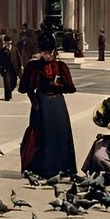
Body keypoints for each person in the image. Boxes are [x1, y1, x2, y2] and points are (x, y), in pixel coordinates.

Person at [19, 32, 77, 178]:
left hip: (57, 104)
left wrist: (59, 85)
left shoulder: (61, 66)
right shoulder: (34, 66)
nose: (46, 56)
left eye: (48, 53)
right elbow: (25, 88)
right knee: (42, 136)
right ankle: (42, 169)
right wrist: (34, 101)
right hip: (41, 105)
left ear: (53, 51)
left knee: (60, 135)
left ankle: (63, 168)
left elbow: (70, 88)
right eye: (43, 53)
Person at [0, 35, 22, 101]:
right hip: (5, 69)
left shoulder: (14, 49)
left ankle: (9, 91)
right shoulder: (2, 50)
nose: (7, 44)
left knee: (14, 83)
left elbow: (19, 58)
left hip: (14, 68)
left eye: (8, 43)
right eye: (6, 42)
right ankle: (7, 96)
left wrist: (21, 66)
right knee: (7, 82)